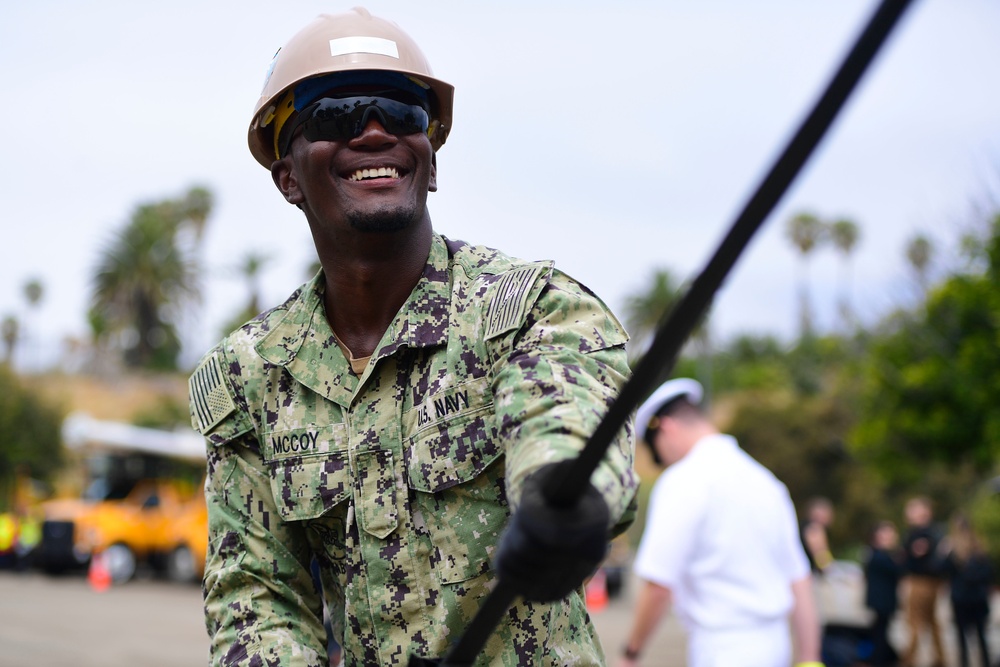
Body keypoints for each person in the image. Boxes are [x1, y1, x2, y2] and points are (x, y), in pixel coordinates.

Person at [188, 8, 638, 666]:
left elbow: (565, 415)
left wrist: (562, 495)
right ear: (287, 174)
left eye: (403, 112)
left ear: (429, 159)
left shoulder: (528, 310)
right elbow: (256, 594)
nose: (375, 131)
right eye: (337, 114)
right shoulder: (251, 377)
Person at [617, 378, 823, 667]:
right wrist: (810, 658)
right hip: (776, 646)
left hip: (724, 649)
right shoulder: (766, 481)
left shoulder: (683, 479)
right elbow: (799, 579)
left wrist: (631, 653)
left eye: (658, 454)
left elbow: (659, 584)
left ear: (666, 428)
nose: (664, 462)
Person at [900, 496, 946, 667]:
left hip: (921, 581)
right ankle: (940, 657)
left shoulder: (924, 534)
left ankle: (909, 658)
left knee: (914, 620)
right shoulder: (933, 532)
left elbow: (914, 555)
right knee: (931, 620)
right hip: (930, 581)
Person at [941, 514, 992, 667]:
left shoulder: (972, 549)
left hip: (966, 598)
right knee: (979, 636)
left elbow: (940, 569)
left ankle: (967, 663)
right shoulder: (978, 548)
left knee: (966, 637)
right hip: (972, 597)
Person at [864, 520, 904, 666]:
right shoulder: (879, 555)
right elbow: (898, 570)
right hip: (882, 600)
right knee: (880, 632)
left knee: (880, 630)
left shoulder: (878, 554)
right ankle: (878, 660)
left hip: (882, 600)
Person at [802, 496, 836, 574]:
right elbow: (819, 553)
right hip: (806, 573)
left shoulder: (805, 527)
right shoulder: (815, 529)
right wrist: (828, 569)